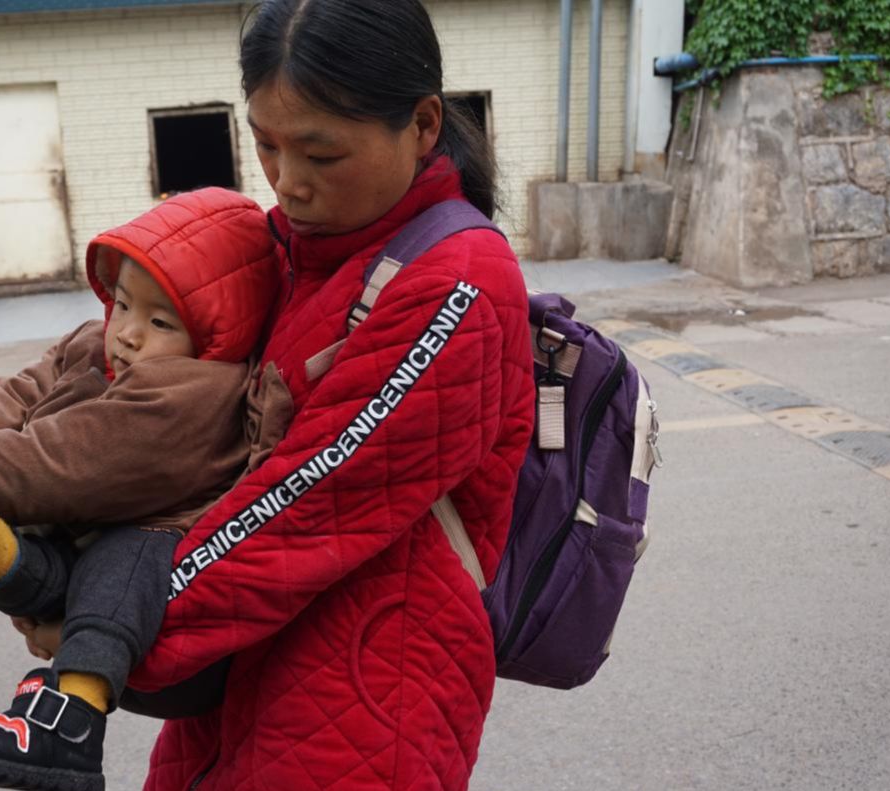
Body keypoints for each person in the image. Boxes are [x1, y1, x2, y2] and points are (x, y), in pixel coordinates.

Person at [87, 1, 539, 788]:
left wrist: (105, 628)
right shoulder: (290, 253)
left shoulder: (455, 282)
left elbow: (306, 504)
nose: (287, 183)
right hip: (231, 674)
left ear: (424, 125)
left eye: (321, 155)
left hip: (368, 700)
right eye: (265, 144)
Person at [0, 187, 280, 791]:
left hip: (149, 563)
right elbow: (28, 389)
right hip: (72, 547)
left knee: (126, 555)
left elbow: (67, 462)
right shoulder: (98, 340)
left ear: (215, 337)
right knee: (34, 550)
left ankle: (74, 721)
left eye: (161, 321)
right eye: (125, 303)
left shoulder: (193, 392)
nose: (129, 333)